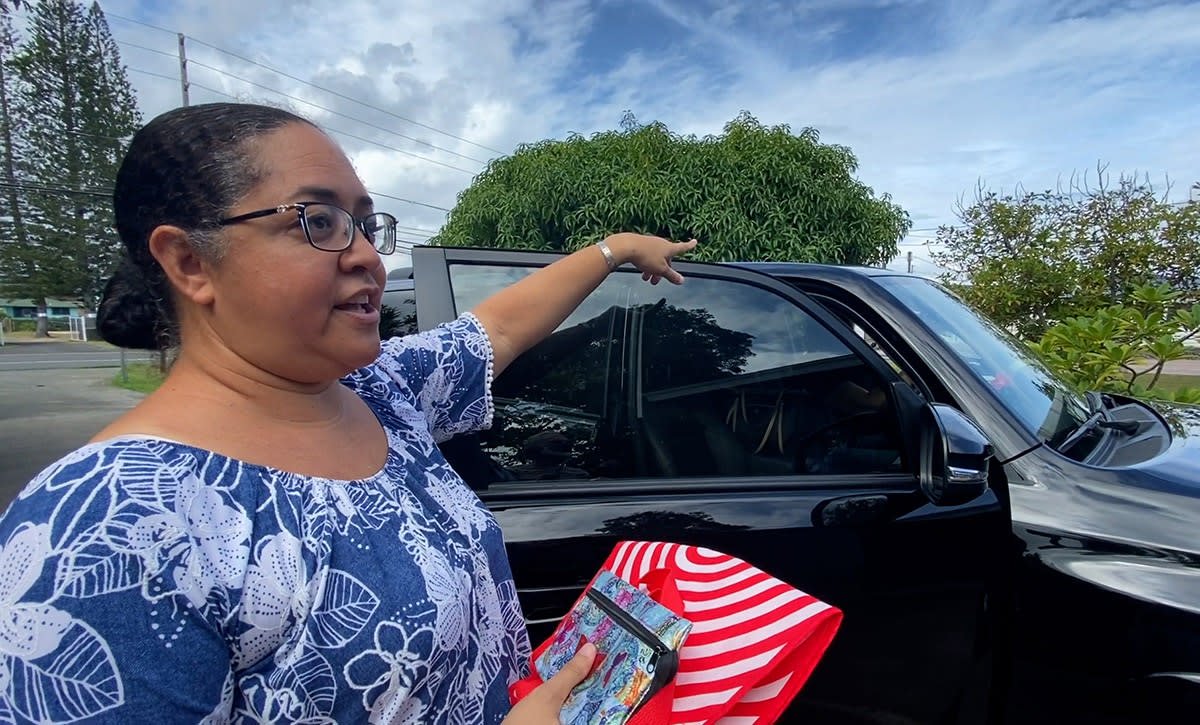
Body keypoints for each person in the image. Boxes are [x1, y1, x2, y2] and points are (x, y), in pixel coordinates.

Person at [0, 102, 696, 724]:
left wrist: (616, 250)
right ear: (189, 262)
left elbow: (501, 329)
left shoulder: (378, 389)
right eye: (320, 221)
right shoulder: (101, 529)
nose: (366, 255)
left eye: (365, 224)